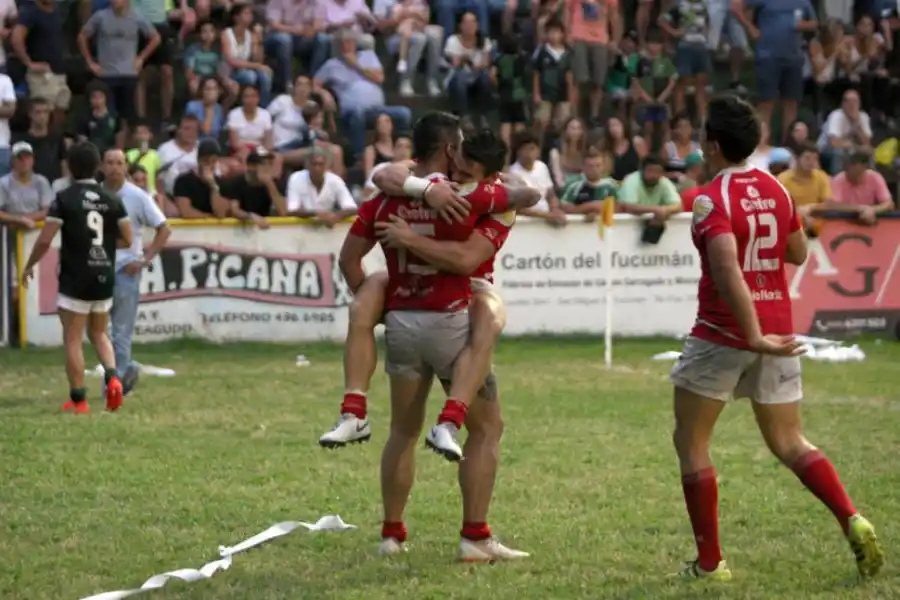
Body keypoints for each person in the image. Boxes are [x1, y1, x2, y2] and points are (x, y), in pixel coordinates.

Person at [668, 94, 884, 581]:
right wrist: (765, 331)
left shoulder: (710, 198)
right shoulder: (778, 189)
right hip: (780, 327)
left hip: (724, 331)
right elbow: (797, 253)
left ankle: (710, 564)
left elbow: (726, 270)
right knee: (789, 441)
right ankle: (852, 517)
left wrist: (751, 335)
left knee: (691, 441)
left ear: (714, 145)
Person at [336, 114, 535, 561]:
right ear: (450, 150)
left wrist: (377, 300)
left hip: (403, 321)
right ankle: (475, 535)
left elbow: (350, 257)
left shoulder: (388, 194)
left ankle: (391, 534)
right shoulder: (477, 200)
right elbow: (468, 258)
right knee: (488, 427)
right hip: (451, 318)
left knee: (401, 431)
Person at [20, 142, 133, 414]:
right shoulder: (112, 199)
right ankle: (113, 378)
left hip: (75, 277)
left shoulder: (64, 198)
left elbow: (45, 239)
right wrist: (102, 249)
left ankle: (79, 399)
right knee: (99, 333)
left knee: (72, 338)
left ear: (70, 167)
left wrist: (29, 264)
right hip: (103, 275)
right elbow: (128, 238)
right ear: (98, 167)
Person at [101, 149, 171, 397]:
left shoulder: (137, 196)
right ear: (102, 166)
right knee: (100, 330)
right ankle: (125, 370)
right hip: (98, 267)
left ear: (126, 168)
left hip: (125, 268)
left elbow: (164, 228)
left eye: (119, 163)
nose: (114, 168)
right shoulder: (95, 194)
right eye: (110, 163)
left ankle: (115, 385)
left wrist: (144, 259)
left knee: (120, 330)